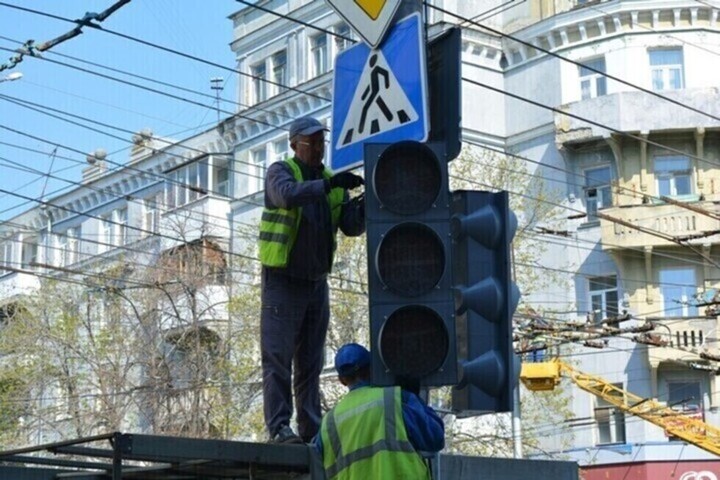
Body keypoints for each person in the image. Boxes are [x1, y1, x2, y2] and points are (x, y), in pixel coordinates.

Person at [259, 116, 365, 444]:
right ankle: (279, 428)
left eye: (321, 142)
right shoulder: (281, 172)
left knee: (310, 363)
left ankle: (311, 431)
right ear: (294, 144)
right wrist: (331, 186)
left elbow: (350, 226)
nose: (318, 148)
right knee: (277, 358)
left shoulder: (331, 181)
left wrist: (368, 199)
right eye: (312, 142)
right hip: (282, 282)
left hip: (316, 285)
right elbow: (286, 196)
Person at [315, 343, 445, 479]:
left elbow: (315, 464)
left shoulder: (328, 424)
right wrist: (414, 398)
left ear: (341, 380)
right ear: (372, 368)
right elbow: (435, 438)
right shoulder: (395, 399)